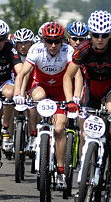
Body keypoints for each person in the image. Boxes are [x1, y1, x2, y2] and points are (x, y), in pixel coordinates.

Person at [63, 10, 111, 177]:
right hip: (91, 89)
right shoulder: (83, 49)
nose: (99, 39)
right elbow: (68, 76)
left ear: (109, 35)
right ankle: (85, 168)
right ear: (90, 34)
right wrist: (70, 101)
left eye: (104, 35)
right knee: (84, 132)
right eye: (95, 35)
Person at [13, 22, 73, 190]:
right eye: (49, 41)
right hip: (42, 87)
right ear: (43, 41)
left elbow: (78, 76)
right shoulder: (36, 49)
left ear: (62, 41)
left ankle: (61, 170)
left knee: (60, 129)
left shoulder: (68, 51)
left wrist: (74, 98)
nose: (53, 45)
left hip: (61, 91)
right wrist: (18, 93)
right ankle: (34, 135)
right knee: (37, 97)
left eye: (56, 41)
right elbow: (22, 73)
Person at [0, 19, 23, 154]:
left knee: (10, 93)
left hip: (4, 82)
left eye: (1, 40)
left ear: (6, 38)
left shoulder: (10, 49)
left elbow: (20, 71)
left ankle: (5, 129)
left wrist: (20, 92)